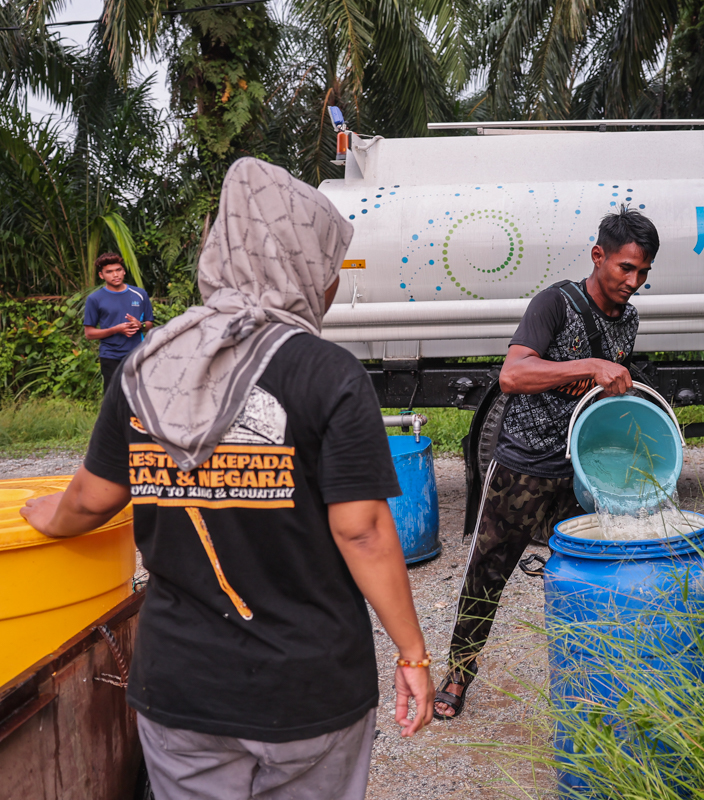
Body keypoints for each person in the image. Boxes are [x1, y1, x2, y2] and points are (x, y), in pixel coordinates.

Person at [21, 158, 433, 800]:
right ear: (299, 263)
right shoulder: (328, 373)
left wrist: (35, 514)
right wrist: (413, 653)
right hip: (309, 689)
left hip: (183, 689)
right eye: (324, 266)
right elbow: (363, 531)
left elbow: (89, 500)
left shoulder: (148, 365)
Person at [435, 206, 659, 720]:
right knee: (487, 576)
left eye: (643, 273)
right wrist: (591, 365)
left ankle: (591, 680)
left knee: (587, 579)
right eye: (626, 268)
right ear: (599, 256)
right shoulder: (554, 303)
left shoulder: (630, 319)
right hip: (522, 468)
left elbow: (603, 396)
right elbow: (513, 375)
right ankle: (457, 673)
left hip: (581, 477)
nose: (634, 282)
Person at [84, 253, 154, 392]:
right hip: (110, 356)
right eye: (109, 272)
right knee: (113, 397)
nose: (115, 275)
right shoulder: (95, 299)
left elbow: (149, 325)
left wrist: (140, 325)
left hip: (137, 354)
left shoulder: (140, 294)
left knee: (137, 397)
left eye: (118, 270)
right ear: (101, 276)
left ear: (124, 271)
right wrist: (115, 329)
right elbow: (89, 334)